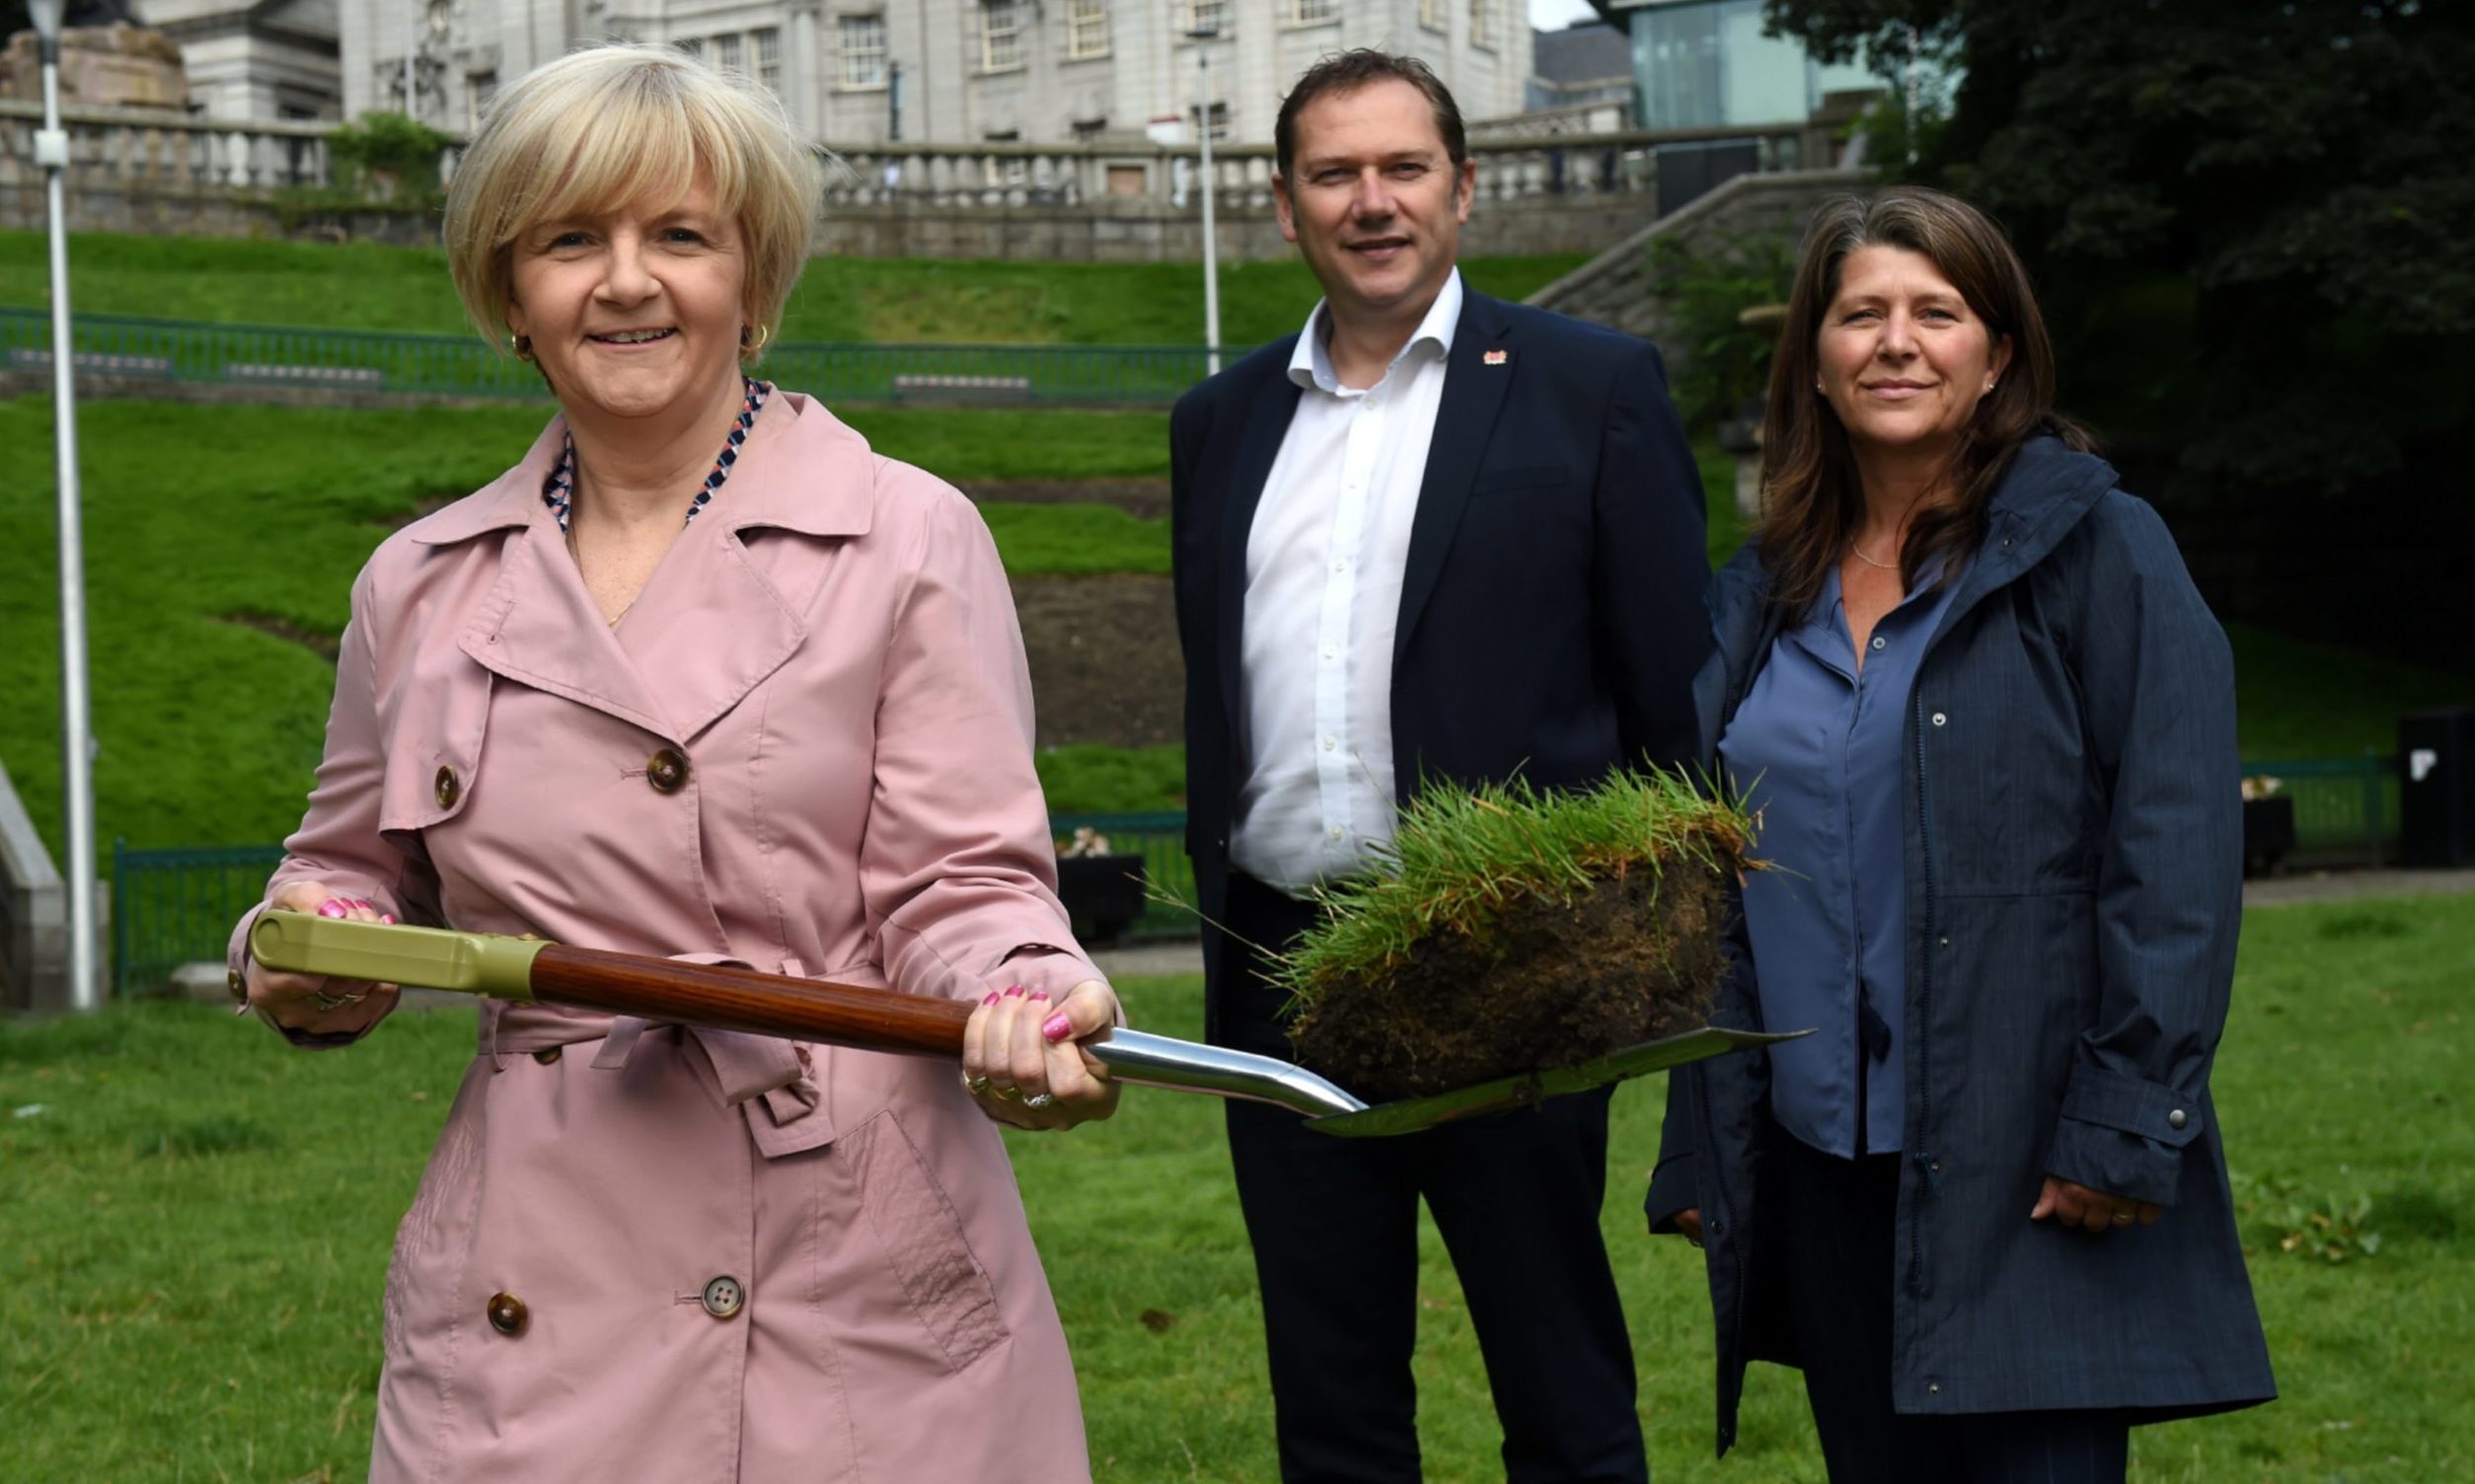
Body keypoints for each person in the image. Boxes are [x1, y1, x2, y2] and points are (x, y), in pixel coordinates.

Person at [225, 44, 1119, 1483]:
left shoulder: (908, 535)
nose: (626, 281)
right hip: (536, 1277)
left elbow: (963, 878)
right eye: (571, 239)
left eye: (680, 236)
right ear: (509, 293)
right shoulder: (418, 585)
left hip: (848, 1268)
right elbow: (341, 872)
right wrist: (309, 951)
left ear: (753, 283)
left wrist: (1025, 987)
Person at [1646, 186, 2276, 1478]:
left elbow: (2178, 854)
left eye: (1937, 312)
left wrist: (2123, 1120)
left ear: (1996, 357)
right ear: (1814, 362)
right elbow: (1715, 897)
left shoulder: (2100, 552)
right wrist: (1703, 1137)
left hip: (2027, 1165)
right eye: (1861, 312)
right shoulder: (1760, 591)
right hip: (1822, 1169)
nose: (1896, 341)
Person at [1169, 49, 1710, 1484]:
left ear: (1462, 190)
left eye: (1402, 168)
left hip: (1513, 968)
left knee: (1561, 1389)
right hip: (1286, 977)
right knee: (1332, 1408)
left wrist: (1652, 961)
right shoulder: (1216, 427)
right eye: (1335, 173)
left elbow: (1674, 716)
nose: (1371, 201)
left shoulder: (1592, 389)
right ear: (1285, 206)